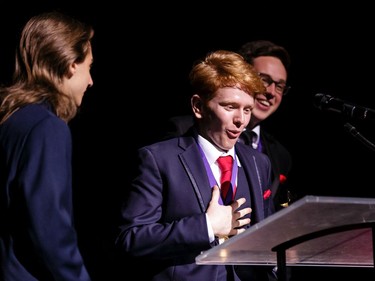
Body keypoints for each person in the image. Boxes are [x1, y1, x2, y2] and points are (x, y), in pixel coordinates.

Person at [115, 50, 277, 281]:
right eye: (230, 107)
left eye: (247, 109)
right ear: (198, 106)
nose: (241, 120)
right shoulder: (158, 159)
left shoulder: (258, 162)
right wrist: (206, 226)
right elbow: (131, 239)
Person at [0, 11, 94, 281]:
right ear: (70, 65)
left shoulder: (10, 118)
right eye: (89, 66)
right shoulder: (47, 127)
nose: (90, 81)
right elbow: (49, 228)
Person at [164, 40, 294, 211]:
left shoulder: (280, 155)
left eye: (279, 86)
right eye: (263, 79)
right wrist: (207, 226)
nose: (271, 92)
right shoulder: (181, 131)